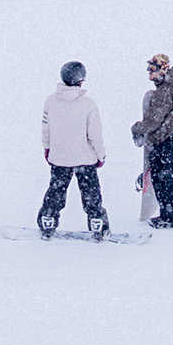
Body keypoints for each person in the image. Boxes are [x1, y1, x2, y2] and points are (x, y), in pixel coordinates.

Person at [39, 61, 108, 237]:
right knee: (91, 194)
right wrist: (100, 155)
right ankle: (97, 223)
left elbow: (46, 129)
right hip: (85, 158)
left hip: (60, 157)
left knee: (56, 191)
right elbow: (94, 134)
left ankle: (48, 220)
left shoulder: (51, 101)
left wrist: (47, 148)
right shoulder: (88, 104)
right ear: (80, 80)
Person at [131, 54, 173, 229]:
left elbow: (153, 121)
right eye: (149, 69)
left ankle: (171, 217)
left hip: (166, 140)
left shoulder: (163, 92)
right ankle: (172, 214)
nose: (150, 74)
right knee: (170, 177)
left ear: (163, 70)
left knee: (164, 178)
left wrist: (137, 128)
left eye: (152, 70)